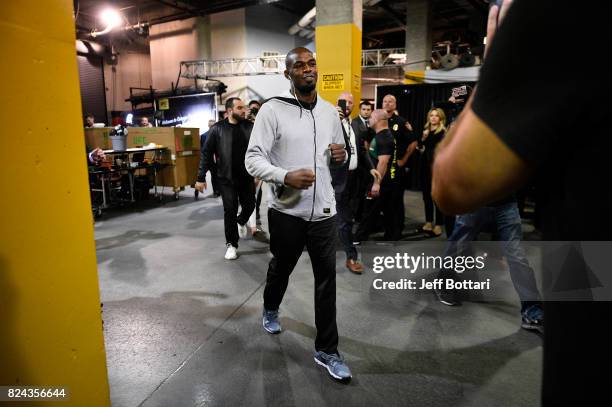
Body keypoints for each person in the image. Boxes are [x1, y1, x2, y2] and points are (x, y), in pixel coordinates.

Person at [432, 1, 610, 405]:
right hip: (585, 258)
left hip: (584, 271)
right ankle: (448, 285)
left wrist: (493, 75)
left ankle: (531, 308)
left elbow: (451, 182)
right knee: (461, 243)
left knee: (516, 252)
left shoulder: (551, 14)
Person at [245, 47, 352, 381]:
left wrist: (341, 154)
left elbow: (343, 156)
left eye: (312, 64)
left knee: (326, 282)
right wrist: (284, 175)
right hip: (286, 212)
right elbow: (253, 159)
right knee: (281, 268)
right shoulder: (272, 111)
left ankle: (327, 351)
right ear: (288, 73)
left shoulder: (330, 112)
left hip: (324, 212)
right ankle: (271, 307)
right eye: (300, 66)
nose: (308, 69)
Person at [196, 97, 255, 260]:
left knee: (250, 205)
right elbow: (206, 154)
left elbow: (259, 150)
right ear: (229, 111)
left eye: (244, 107)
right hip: (226, 179)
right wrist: (201, 177)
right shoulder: (217, 129)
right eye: (240, 107)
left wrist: (260, 172)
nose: (244, 110)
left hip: (247, 176)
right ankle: (231, 244)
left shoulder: (250, 127)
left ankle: (241, 221)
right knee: (229, 209)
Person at [332, 92, 379, 274]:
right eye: (345, 102)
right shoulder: (330, 123)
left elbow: (360, 149)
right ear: (338, 103)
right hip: (336, 179)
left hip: (353, 179)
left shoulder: (353, 126)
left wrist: (370, 167)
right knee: (344, 220)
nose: (348, 105)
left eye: (351, 103)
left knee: (346, 218)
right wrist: (334, 121)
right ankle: (351, 257)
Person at [354, 109, 397, 242]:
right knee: (388, 210)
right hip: (384, 181)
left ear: (378, 120)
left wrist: (376, 184)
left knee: (369, 209)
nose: (369, 119)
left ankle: (359, 237)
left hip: (380, 181)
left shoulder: (384, 137)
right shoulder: (380, 135)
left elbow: (383, 163)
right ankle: (392, 236)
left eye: (371, 117)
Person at [382, 94, 417, 238]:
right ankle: (388, 230)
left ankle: (397, 231)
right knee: (384, 202)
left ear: (395, 104)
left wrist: (403, 160)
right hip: (381, 169)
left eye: (391, 101)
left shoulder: (401, 122)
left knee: (396, 200)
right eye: (385, 101)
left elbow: (413, 142)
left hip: (396, 170)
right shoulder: (378, 120)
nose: (388, 103)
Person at [417, 108, 447, 236]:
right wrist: (423, 138)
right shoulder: (425, 131)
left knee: (437, 197)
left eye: (436, 116)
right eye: (431, 116)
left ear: (440, 118)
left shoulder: (443, 133)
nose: (433, 118)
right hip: (425, 166)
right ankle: (429, 222)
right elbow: (419, 146)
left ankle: (439, 224)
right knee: (426, 196)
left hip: (437, 167)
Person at [200, 119, 220, 197]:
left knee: (218, 175)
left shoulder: (220, 134)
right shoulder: (204, 136)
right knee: (214, 175)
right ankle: (216, 191)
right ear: (208, 126)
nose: (212, 127)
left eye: (213, 125)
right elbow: (203, 150)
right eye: (211, 125)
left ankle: (219, 190)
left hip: (219, 158)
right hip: (210, 159)